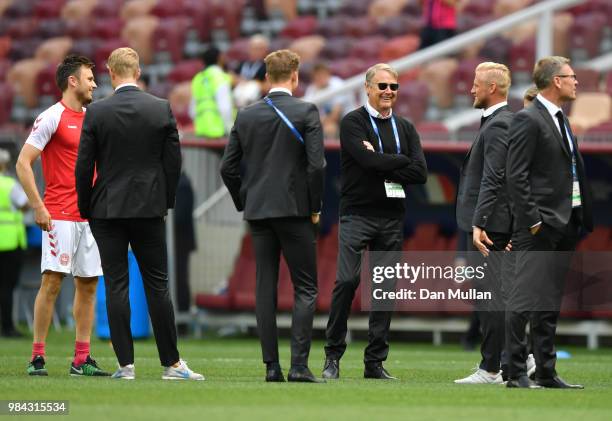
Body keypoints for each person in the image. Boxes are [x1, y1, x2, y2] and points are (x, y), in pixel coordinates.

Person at [75, 47, 203, 381]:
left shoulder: (97, 112)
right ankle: (172, 364)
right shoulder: (159, 108)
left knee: (116, 284)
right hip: (149, 207)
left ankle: (125, 366)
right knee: (157, 285)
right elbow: (173, 161)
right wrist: (166, 201)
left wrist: (87, 206)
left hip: (107, 208)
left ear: (110, 72)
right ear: (139, 72)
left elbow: (84, 165)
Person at [220, 49, 325, 383]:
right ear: (295, 76)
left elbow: (228, 167)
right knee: (305, 287)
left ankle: (271, 367)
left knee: (264, 286)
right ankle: (298, 366)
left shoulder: (246, 114)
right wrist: (315, 207)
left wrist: (244, 201)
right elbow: (317, 165)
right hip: (295, 211)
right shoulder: (306, 111)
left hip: (259, 212)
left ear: (266, 77)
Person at [322, 63, 427, 380]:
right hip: (357, 214)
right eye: (382, 86)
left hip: (391, 218)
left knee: (384, 290)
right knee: (347, 282)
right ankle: (332, 357)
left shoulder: (405, 127)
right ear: (367, 88)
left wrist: (384, 163)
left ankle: (374, 363)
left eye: (393, 87)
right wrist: (400, 162)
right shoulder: (353, 122)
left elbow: (419, 173)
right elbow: (366, 161)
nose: (388, 92)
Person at [15, 55, 110, 376]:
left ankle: (81, 359)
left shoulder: (94, 117)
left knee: (88, 286)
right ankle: (37, 356)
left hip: (90, 217)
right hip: (59, 214)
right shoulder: (51, 117)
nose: (94, 84)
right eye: (89, 79)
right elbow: (22, 163)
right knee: (52, 282)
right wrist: (38, 207)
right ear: (72, 81)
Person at [505, 56, 592, 389]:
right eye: (571, 77)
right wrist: (533, 221)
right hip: (539, 226)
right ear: (556, 81)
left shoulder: (559, 119)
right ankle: (514, 372)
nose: (576, 82)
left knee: (548, 303)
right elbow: (516, 174)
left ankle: (545, 371)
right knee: (524, 298)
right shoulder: (529, 119)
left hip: (565, 222)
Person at [454, 62, 517, 384]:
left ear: (492, 88)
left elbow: (495, 178)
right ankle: (506, 363)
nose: (471, 89)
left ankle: (496, 366)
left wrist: (480, 222)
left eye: (476, 83)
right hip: (487, 222)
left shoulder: (500, 124)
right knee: (489, 296)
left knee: (491, 296)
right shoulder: (495, 122)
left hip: (489, 225)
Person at [0, 148, 27, 338]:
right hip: (9, 241)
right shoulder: (9, 184)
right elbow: (25, 203)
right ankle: (8, 327)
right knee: (7, 286)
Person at [190, 46, 234, 139]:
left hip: (201, 132)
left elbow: (192, 111)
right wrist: (231, 130)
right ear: (219, 58)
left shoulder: (198, 78)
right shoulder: (220, 77)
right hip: (220, 133)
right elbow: (225, 108)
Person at [304, 62, 356, 138]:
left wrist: (323, 122)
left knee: (330, 128)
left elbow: (336, 114)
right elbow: (310, 115)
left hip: (348, 118)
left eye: (323, 74)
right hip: (327, 121)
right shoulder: (311, 89)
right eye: (318, 75)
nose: (321, 78)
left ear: (328, 74)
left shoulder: (338, 84)